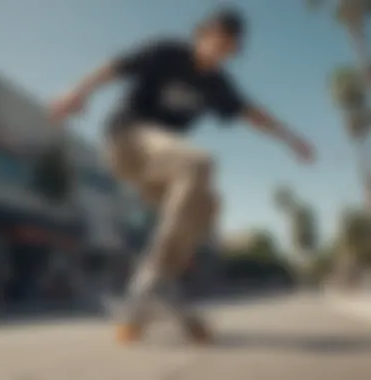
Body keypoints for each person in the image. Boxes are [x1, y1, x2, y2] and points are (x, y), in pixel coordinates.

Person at [49, 8, 315, 344]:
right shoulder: (167, 52)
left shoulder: (218, 84)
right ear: (201, 35)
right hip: (127, 139)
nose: (219, 49)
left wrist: (290, 138)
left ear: (233, 51)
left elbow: (251, 113)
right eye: (215, 39)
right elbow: (115, 67)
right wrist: (77, 92)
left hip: (155, 171)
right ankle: (153, 283)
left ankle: (158, 283)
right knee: (199, 163)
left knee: (207, 207)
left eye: (228, 46)